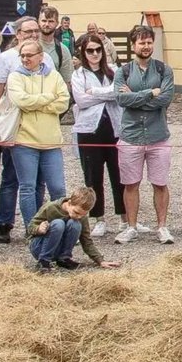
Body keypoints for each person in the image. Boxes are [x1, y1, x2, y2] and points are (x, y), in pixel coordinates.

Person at [0, 15, 50, 243]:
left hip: (40, 126)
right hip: (16, 125)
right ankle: (4, 222)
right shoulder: (5, 59)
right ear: (18, 34)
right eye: (28, 32)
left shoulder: (47, 59)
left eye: (36, 31)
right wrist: (3, 124)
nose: (33, 35)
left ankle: (34, 222)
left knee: (38, 179)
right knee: (12, 178)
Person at [115, 24, 177, 244]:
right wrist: (150, 93)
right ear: (134, 45)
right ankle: (131, 226)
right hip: (131, 136)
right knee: (131, 183)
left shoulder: (164, 70)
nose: (146, 46)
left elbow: (166, 99)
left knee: (160, 183)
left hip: (158, 135)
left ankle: (162, 226)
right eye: (142, 42)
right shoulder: (122, 71)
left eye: (149, 42)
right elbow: (121, 100)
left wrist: (136, 98)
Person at [5, 37, 70, 229]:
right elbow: (21, 100)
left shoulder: (54, 76)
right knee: (27, 187)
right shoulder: (15, 77)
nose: (25, 59)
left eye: (29, 55)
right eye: (22, 56)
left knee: (58, 188)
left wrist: (37, 103)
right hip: (24, 140)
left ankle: (62, 225)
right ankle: (31, 227)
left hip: (51, 141)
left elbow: (63, 102)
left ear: (41, 56)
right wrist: (49, 98)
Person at [71, 34, 125, 236]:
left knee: (119, 176)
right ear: (83, 53)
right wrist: (105, 94)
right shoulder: (78, 75)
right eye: (90, 50)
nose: (94, 54)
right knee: (93, 177)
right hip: (89, 131)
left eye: (98, 49)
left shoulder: (114, 70)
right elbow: (81, 100)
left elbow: (119, 94)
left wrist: (93, 91)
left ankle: (124, 217)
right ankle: (99, 218)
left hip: (114, 130)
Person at [28, 187, 122, 272]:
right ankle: (43, 261)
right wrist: (38, 229)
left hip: (57, 247)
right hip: (39, 247)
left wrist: (100, 260)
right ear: (69, 203)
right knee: (58, 224)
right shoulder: (51, 207)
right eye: (76, 212)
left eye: (83, 214)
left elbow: (86, 240)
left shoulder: (80, 217)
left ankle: (64, 258)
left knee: (75, 224)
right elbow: (30, 227)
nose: (79, 216)